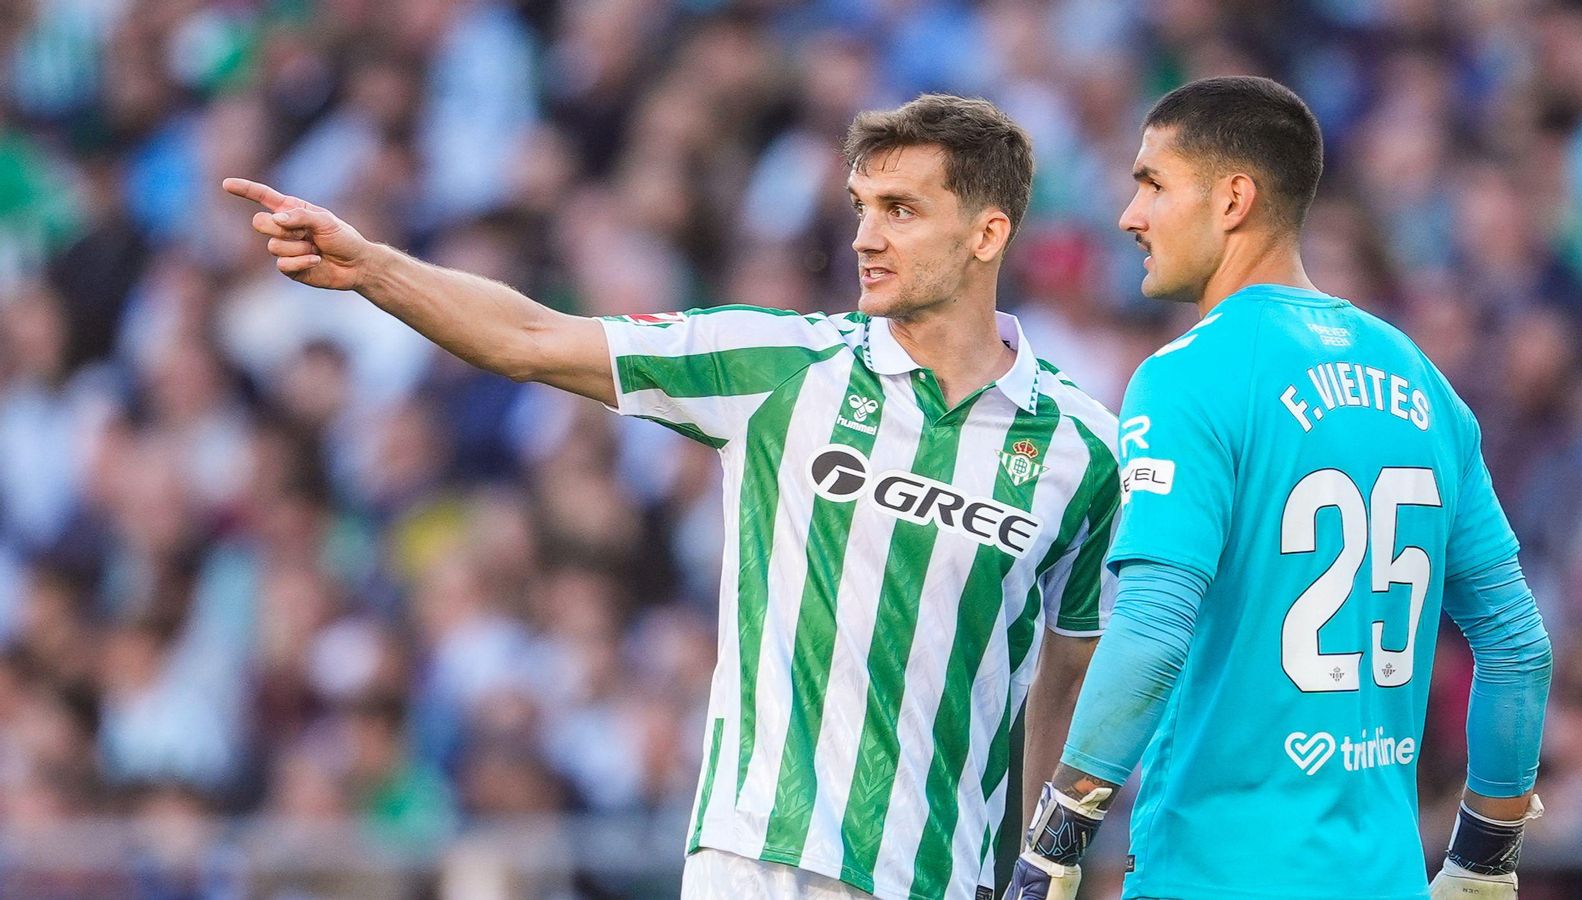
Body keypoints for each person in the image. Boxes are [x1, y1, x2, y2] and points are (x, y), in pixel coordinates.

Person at [225, 94, 1121, 900]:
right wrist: (373, 268)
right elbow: (534, 338)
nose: (864, 237)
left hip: (938, 876)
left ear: (987, 234)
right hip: (750, 863)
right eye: (860, 207)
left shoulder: (1082, 451)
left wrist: (1042, 866)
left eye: (901, 210)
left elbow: (1073, 665)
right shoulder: (783, 366)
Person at [1004, 76, 1553, 900]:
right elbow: (1517, 647)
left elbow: (1150, 631)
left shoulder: (1188, 376)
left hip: (1219, 874)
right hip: (1386, 879)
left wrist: (1053, 844)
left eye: (1153, 183)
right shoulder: (1421, 378)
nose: (1129, 215)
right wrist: (1484, 859)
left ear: (1233, 199)